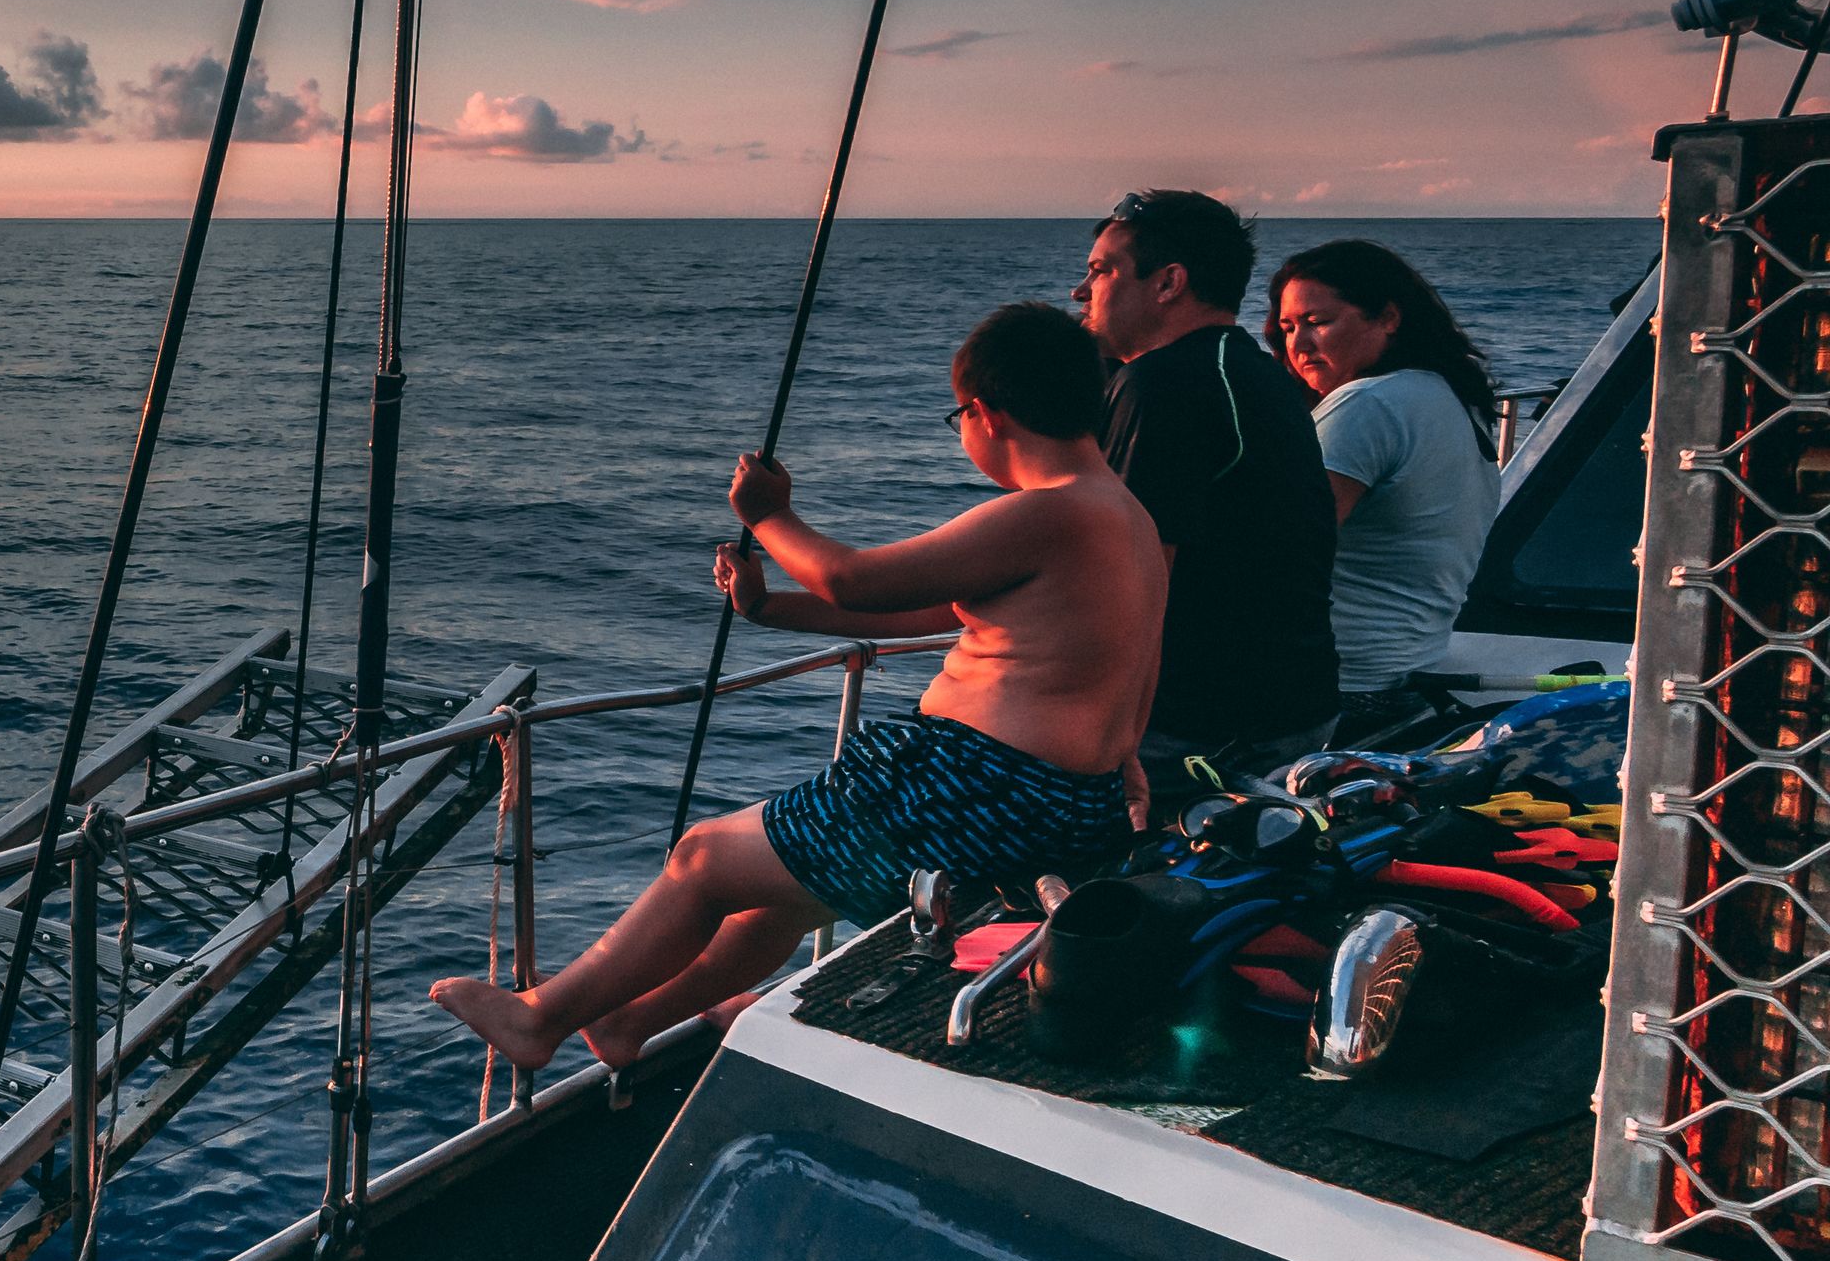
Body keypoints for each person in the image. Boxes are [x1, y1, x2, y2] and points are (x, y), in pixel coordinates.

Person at [434, 303, 1159, 1077]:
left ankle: (540, 1019)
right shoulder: (1121, 515)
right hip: (1064, 803)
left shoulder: (1048, 513)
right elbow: (936, 607)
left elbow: (856, 578)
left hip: (977, 794)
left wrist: (770, 516)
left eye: (958, 419)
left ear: (985, 412)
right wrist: (769, 607)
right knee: (778, 894)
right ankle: (626, 1023)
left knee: (704, 858)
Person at [1075, 188, 1337, 776]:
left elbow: (1129, 587)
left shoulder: (1164, 385)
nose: (1082, 290)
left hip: (1199, 730)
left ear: (1168, 283)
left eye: (1100, 271)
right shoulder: (1252, 371)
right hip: (1292, 710)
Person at [1266, 237, 1501, 724]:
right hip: (1404, 677)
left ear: (1388, 318)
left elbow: (1279, 552)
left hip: (1340, 688)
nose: (1298, 345)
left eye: (1318, 323)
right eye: (1288, 327)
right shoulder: (1451, 397)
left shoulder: (1366, 406)